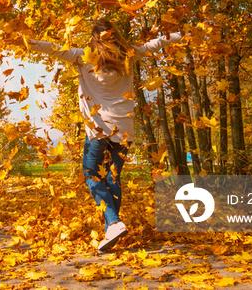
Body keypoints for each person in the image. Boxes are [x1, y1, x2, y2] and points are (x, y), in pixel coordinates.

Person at [27, 19, 183, 252]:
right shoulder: (128, 54)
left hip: (99, 128)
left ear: (94, 37)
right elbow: (155, 44)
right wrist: (184, 34)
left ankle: (113, 222)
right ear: (115, 34)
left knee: (91, 174)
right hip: (125, 128)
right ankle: (114, 226)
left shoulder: (82, 55)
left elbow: (54, 49)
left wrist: (31, 43)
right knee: (113, 177)